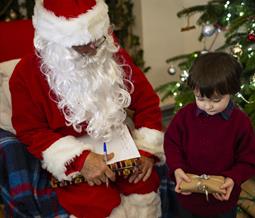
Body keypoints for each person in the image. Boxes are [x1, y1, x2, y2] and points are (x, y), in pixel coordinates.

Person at [9, 0, 164, 217]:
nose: (94, 48)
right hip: (76, 160)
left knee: (145, 189)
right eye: (82, 44)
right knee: (97, 205)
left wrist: (148, 150)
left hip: (122, 149)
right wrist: (79, 160)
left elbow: (147, 101)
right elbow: (31, 131)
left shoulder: (108, 51)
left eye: (97, 39)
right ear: (58, 42)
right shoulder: (26, 75)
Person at [164, 52, 255, 218]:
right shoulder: (185, 116)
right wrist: (177, 168)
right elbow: (171, 144)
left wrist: (232, 178)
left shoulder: (241, 123)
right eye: (200, 98)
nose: (208, 106)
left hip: (222, 202)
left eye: (216, 100)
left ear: (231, 90)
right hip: (188, 198)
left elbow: (248, 161)